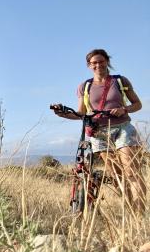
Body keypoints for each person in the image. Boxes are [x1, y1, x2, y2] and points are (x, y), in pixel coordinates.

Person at [53, 49, 145, 214]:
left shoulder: (120, 81)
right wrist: (62, 113)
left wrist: (124, 109)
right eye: (93, 63)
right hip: (99, 133)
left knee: (131, 173)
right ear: (89, 65)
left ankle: (140, 214)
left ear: (107, 61)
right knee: (118, 178)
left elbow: (138, 104)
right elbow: (81, 113)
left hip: (123, 128)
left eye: (101, 61)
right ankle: (130, 213)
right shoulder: (85, 86)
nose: (97, 65)